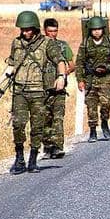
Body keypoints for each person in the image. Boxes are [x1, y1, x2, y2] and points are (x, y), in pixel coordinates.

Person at [0, 11, 65, 174]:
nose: (25, 32)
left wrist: (61, 77)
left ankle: (33, 159)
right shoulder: (16, 43)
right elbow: (11, 65)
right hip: (19, 91)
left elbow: (60, 61)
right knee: (18, 125)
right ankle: (19, 158)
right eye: (22, 29)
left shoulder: (47, 43)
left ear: (35, 28)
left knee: (37, 126)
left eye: (28, 29)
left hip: (38, 92)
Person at [76, 16, 110, 142]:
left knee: (106, 102)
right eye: (94, 29)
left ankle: (105, 122)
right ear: (90, 30)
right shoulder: (85, 43)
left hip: (104, 78)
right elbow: (79, 62)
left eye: (99, 29)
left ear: (103, 29)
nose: (96, 32)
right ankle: (93, 130)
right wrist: (80, 80)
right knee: (91, 106)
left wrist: (108, 67)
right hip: (90, 78)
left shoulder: (109, 41)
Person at [41, 18, 75, 159]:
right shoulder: (40, 46)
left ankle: (58, 147)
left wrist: (63, 75)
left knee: (58, 118)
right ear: (44, 31)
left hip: (59, 90)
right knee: (44, 118)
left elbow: (72, 65)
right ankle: (47, 147)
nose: (53, 34)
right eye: (50, 31)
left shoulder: (63, 46)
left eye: (55, 31)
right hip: (42, 89)